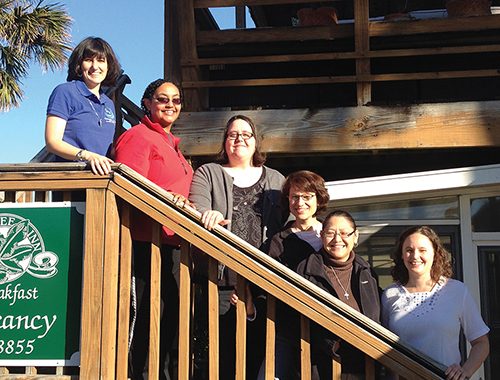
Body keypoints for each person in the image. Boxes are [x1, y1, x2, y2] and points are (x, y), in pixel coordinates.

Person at [188, 114, 289, 380]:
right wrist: (205, 215)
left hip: (264, 281)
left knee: (261, 354)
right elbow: (196, 207)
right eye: (233, 134)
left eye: (246, 134)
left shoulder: (276, 179)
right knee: (223, 356)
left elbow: (291, 222)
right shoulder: (208, 172)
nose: (239, 139)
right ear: (225, 141)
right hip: (222, 279)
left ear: (256, 142)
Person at [115, 78, 194, 380]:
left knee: (167, 326)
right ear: (147, 103)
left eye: (176, 100)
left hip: (171, 246)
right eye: (162, 99)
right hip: (143, 243)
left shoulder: (173, 145)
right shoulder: (139, 137)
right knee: (145, 326)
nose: (170, 105)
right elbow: (130, 189)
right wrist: (167, 203)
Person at [381, 226, 489, 380]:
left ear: (435, 254)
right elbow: (385, 347)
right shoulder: (390, 295)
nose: (415, 256)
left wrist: (465, 371)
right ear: (402, 256)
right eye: (409, 250)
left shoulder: (457, 291)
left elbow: (481, 343)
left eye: (422, 250)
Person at [257, 170, 330, 380]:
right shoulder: (277, 242)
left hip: (329, 329)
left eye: (307, 197)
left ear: (318, 199)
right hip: (289, 330)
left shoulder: (333, 235)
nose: (300, 202)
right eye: (294, 197)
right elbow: (262, 285)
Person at [296, 210, 381, 380]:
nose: (337, 240)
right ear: (321, 235)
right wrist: (332, 344)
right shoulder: (306, 271)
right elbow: (295, 320)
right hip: (322, 369)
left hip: (364, 369)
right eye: (330, 233)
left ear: (355, 236)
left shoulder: (366, 272)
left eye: (344, 233)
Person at [45, 37, 120, 175]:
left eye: (101, 60)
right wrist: (87, 156)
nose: (95, 66)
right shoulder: (65, 92)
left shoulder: (108, 104)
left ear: (108, 66)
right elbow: (52, 142)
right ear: (79, 65)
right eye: (89, 60)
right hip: (72, 179)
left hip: (101, 181)